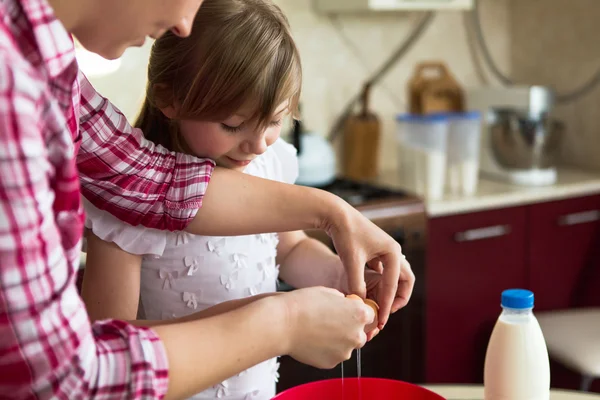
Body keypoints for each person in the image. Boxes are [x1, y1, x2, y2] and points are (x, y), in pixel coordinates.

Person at [0, 0, 414, 398]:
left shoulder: (49, 66)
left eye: (273, 121)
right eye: (233, 124)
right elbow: (90, 357)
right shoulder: (14, 94)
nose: (184, 23)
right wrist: (281, 321)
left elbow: (285, 248)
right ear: (170, 99)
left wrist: (341, 268)